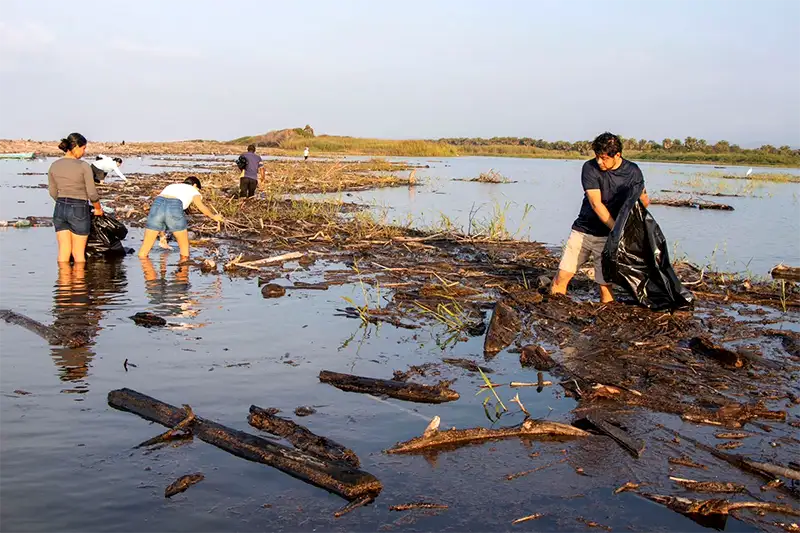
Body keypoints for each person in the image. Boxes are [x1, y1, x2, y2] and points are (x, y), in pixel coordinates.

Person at [550, 132, 650, 303]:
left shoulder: (632, 171)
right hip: (583, 232)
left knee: (605, 286)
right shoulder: (589, 168)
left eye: (603, 158)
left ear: (617, 155)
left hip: (607, 239)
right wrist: (617, 230)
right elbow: (596, 204)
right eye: (597, 157)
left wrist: (640, 201)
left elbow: (643, 202)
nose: (599, 162)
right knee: (562, 277)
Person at [48, 133, 104, 264]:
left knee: (63, 253)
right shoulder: (83, 166)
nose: (84, 152)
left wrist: (62, 202)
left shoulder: (54, 165)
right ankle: (79, 284)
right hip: (79, 208)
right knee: (78, 255)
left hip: (60, 207)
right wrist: (98, 208)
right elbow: (92, 192)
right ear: (77, 147)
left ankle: (64, 283)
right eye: (83, 148)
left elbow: (52, 191)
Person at [137, 176, 223, 259]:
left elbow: (162, 213)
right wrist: (213, 216)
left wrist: (162, 237)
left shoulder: (171, 186)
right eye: (198, 189)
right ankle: (183, 271)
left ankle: (146, 269)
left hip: (157, 204)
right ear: (195, 185)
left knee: (144, 251)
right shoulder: (193, 189)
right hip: (174, 206)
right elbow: (200, 206)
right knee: (184, 250)